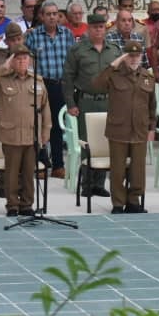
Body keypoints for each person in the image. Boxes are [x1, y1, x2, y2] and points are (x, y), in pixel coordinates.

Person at [0, 46, 51, 217]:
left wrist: (46, 129)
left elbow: (45, 108)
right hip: (11, 134)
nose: (21, 62)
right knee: (11, 173)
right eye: (18, 59)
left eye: (25, 58)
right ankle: (12, 205)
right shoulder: (3, 79)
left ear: (30, 61)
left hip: (31, 134)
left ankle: (27, 204)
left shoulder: (37, 81)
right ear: (12, 61)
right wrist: (3, 67)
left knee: (29, 172)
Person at [91, 41, 156, 214]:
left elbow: (152, 106)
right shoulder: (114, 75)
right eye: (130, 56)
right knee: (118, 170)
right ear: (124, 57)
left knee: (138, 170)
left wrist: (152, 128)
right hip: (118, 129)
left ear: (142, 56)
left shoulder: (148, 77)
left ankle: (134, 201)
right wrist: (115, 63)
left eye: (137, 55)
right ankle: (118, 203)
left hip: (140, 129)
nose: (134, 59)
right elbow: (96, 84)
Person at [65, 14, 121, 198]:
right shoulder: (77, 50)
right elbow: (68, 78)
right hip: (86, 101)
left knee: (106, 140)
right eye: (95, 27)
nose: (98, 30)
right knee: (87, 141)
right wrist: (71, 103)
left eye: (101, 27)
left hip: (109, 101)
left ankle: (99, 183)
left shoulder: (114, 50)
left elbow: (120, 77)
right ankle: (87, 183)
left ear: (106, 29)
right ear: (88, 29)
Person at [25, 1, 75, 179]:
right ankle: (39, 164)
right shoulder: (33, 36)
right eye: (48, 14)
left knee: (55, 126)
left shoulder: (67, 34)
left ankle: (58, 166)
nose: (52, 17)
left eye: (55, 13)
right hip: (39, 85)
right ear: (42, 17)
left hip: (60, 85)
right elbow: (26, 60)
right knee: (39, 124)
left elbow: (72, 60)